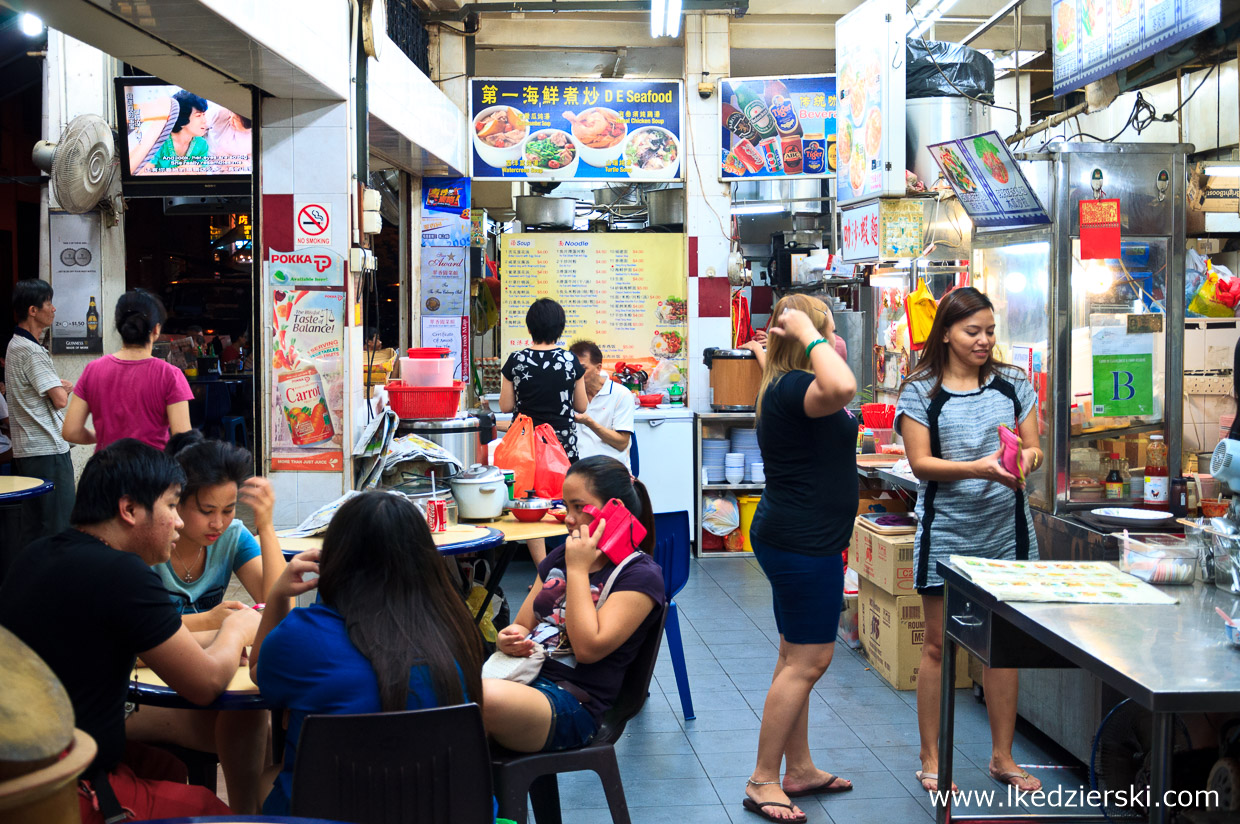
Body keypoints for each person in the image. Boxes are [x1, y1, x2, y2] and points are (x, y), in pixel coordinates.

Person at [0, 439, 262, 823]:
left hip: (26, 759)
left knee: (168, 768)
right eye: (173, 506)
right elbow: (204, 684)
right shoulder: (123, 575)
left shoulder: (39, 553)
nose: (178, 521)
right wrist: (236, 629)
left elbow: (140, 639)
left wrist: (216, 634)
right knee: (211, 810)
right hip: (63, 781)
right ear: (129, 509)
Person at [252, 491, 485, 815]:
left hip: (330, 812)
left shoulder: (301, 637)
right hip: (440, 811)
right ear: (426, 561)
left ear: (334, 558)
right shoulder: (455, 631)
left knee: (265, 779)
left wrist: (277, 594)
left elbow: (258, 671)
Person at [894, 286, 1042, 795]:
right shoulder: (920, 389)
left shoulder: (1013, 383)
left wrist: (1024, 461)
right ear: (947, 334)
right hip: (947, 532)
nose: (984, 341)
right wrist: (979, 468)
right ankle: (931, 757)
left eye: (990, 331)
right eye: (972, 332)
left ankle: (1002, 756)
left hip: (1008, 531)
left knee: (1002, 649)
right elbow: (921, 464)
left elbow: (1035, 447)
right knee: (938, 647)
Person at [123, 431, 284, 814]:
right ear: (176, 502)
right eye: (207, 509)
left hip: (192, 678)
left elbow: (278, 606)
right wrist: (216, 626)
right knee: (252, 724)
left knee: (249, 716)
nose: (218, 522)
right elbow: (134, 644)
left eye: (229, 510)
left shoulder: (231, 537)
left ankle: (244, 817)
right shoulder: (150, 540)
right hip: (135, 696)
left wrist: (265, 526)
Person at [742, 295, 858, 823]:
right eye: (826, 331)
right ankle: (763, 779)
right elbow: (842, 386)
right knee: (809, 662)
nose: (832, 341)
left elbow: (821, 382)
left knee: (794, 658)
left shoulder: (782, 383)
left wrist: (786, 343)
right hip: (802, 542)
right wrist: (811, 335)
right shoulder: (798, 389)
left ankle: (800, 768)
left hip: (794, 535)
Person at [483, 456, 664, 753]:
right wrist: (509, 638)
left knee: (480, 699)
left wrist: (578, 570)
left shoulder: (639, 576)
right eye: (566, 506)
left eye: (579, 507)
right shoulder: (559, 558)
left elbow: (588, 649)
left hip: (573, 703)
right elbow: (523, 623)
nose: (568, 517)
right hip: (525, 676)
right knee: (446, 691)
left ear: (615, 510)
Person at [500, 298, 587, 564]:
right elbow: (581, 406)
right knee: (567, 503)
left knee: (531, 502)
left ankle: (543, 569)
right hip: (561, 445)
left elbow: (505, 405)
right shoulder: (570, 360)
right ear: (560, 328)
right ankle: (572, 566)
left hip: (525, 445)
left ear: (530, 328)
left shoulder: (516, 360)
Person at [63, 289, 194, 452]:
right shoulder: (169, 375)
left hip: (106, 472)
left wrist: (105, 435)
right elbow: (183, 441)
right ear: (156, 329)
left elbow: (71, 431)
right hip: (154, 473)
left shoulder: (93, 370)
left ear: (119, 327)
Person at [6, 279, 75, 550]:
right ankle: (55, 588)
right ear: (33, 310)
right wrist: (65, 387)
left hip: (28, 450)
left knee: (35, 527)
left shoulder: (15, 346)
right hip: (47, 449)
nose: (54, 309)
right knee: (58, 527)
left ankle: (29, 587)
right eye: (49, 303)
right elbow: (58, 400)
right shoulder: (30, 350)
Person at [570, 339, 634, 471]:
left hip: (609, 470)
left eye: (582, 369)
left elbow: (622, 443)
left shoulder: (620, 394)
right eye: (572, 368)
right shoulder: (567, 393)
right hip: (576, 469)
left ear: (598, 368)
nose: (575, 374)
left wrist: (589, 422)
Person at [150, 89, 210, 171]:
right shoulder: (160, 141)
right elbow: (143, 173)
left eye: (204, 114)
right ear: (182, 118)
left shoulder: (201, 144)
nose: (204, 120)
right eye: (198, 116)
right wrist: (178, 172)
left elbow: (203, 173)